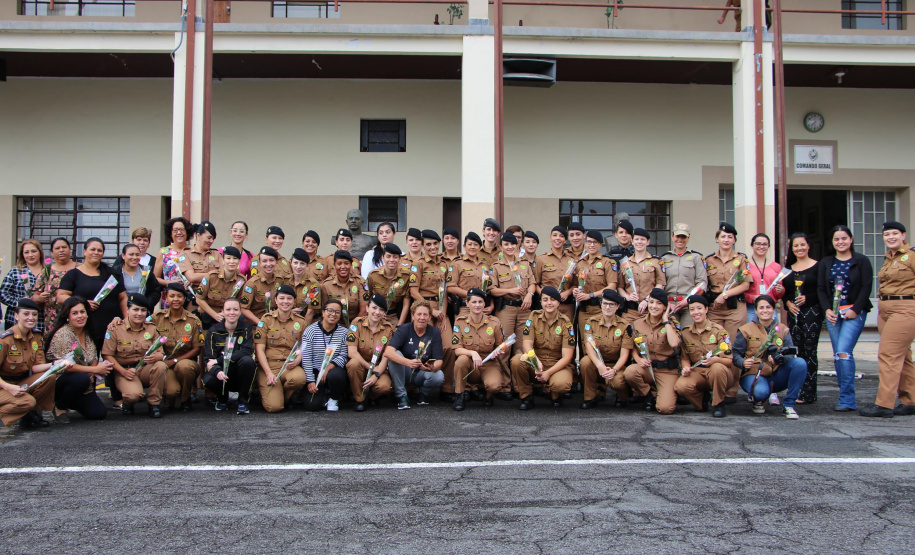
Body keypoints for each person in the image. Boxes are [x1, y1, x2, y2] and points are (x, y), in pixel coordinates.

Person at [860, 221, 915, 418]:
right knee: (904, 356)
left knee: (888, 356)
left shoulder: (912, 256)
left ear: (903, 235)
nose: (890, 237)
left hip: (905, 309)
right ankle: (910, 400)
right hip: (886, 310)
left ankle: (884, 404)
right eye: (886, 234)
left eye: (894, 233)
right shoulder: (889, 258)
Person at [817, 225, 872, 412]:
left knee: (843, 352)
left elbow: (866, 287)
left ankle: (847, 398)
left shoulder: (861, 261)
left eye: (843, 238)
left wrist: (856, 309)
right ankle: (844, 395)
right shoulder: (826, 262)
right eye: (836, 239)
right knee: (837, 355)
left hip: (853, 313)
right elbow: (821, 289)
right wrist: (826, 310)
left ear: (851, 239)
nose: (840, 242)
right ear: (832, 242)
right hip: (833, 314)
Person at [733, 295, 807, 419]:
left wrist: (781, 358)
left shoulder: (782, 329)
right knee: (761, 392)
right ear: (756, 311)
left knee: (800, 363)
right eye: (761, 308)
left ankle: (789, 405)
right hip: (754, 373)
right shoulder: (746, 330)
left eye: (768, 307)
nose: (765, 310)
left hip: (777, 373)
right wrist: (743, 362)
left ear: (774, 309)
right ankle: (758, 399)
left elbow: (791, 353)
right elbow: (735, 354)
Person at [0, 299, 69, 429]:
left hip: (20, 382)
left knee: (50, 377)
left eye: (34, 314)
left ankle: (32, 417)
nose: (31, 318)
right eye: (26, 314)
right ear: (16, 316)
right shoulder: (5, 340)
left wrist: (55, 364)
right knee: (28, 401)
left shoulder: (36, 336)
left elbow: (36, 367)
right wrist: (10, 388)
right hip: (3, 385)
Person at [704, 223, 753, 402]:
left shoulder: (741, 259)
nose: (726, 240)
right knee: (713, 346)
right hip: (714, 309)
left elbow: (746, 284)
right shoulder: (708, 260)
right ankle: (714, 387)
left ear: (734, 240)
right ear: (717, 239)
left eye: (730, 237)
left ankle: (730, 390)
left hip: (734, 308)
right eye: (723, 236)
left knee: (732, 348)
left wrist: (725, 294)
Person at [45, 296, 109, 423]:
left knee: (98, 413)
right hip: (59, 381)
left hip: (82, 380)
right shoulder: (63, 334)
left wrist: (92, 370)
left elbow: (93, 356)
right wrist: (94, 369)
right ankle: (60, 406)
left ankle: (71, 400)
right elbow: (65, 366)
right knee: (81, 378)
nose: (80, 316)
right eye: (74, 313)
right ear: (67, 316)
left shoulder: (87, 332)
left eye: (82, 312)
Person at [101, 294, 166, 418]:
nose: (139, 314)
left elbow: (160, 352)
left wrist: (159, 356)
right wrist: (123, 372)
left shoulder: (151, 329)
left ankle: (154, 404)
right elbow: (107, 355)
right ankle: (128, 404)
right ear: (127, 310)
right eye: (135, 309)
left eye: (143, 310)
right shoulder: (115, 328)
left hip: (145, 369)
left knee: (160, 366)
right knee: (133, 396)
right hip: (125, 370)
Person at [510, 286, 575, 409]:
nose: (549, 303)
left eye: (552, 300)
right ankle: (526, 396)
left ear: (558, 302)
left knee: (561, 385)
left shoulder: (566, 322)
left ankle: (554, 394)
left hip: (556, 365)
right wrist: (535, 361)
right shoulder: (534, 316)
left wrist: (548, 372)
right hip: (537, 361)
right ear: (540, 302)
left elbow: (567, 357)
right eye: (545, 300)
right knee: (517, 361)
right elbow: (527, 344)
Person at [57, 238, 128, 349]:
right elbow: (61, 296)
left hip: (112, 327)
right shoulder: (73, 274)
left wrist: (126, 319)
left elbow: (123, 297)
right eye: (92, 249)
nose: (96, 252)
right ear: (85, 251)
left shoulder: (113, 273)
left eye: (99, 250)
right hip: (86, 327)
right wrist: (83, 304)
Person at [624, 289, 681, 414]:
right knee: (630, 372)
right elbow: (632, 345)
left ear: (665, 307)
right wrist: (638, 359)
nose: (654, 306)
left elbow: (674, 343)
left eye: (659, 303)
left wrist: (666, 320)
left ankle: (661, 393)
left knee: (665, 408)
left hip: (666, 371)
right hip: (647, 368)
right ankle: (648, 395)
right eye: (651, 302)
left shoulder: (671, 323)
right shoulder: (638, 323)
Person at [452, 288, 509, 411]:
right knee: (461, 360)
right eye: (474, 302)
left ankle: (487, 397)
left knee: (494, 386)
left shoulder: (494, 322)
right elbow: (457, 349)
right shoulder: (460, 322)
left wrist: (499, 351)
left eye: (480, 302)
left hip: (489, 363)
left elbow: (501, 345)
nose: (477, 305)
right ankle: (459, 395)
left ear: (484, 304)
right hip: (471, 365)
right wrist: (472, 353)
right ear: (467, 304)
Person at [675, 295, 733, 418]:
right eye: (692, 309)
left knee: (717, 368)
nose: (696, 312)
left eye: (699, 308)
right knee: (681, 386)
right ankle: (702, 401)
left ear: (706, 309)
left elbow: (729, 361)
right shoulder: (686, 333)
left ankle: (719, 403)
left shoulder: (719, 331)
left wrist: (715, 360)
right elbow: (685, 357)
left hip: (720, 373)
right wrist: (685, 368)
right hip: (699, 373)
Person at [254, 284, 307, 413]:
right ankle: (275, 395)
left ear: (294, 301)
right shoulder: (266, 320)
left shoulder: (301, 322)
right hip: (270, 365)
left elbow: (303, 346)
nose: (285, 302)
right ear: (276, 300)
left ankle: (283, 394)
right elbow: (259, 349)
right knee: (274, 407)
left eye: (289, 299)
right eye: (282, 298)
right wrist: (268, 373)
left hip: (289, 365)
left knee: (299, 380)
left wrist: (298, 360)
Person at [783, 232, 823, 404]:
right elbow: (785, 292)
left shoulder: (818, 266)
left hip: (812, 313)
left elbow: (822, 290)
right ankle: (798, 390)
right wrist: (787, 303)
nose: (799, 248)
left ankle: (809, 392)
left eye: (802, 245)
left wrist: (809, 298)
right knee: (797, 352)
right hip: (794, 315)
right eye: (795, 246)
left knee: (810, 351)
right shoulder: (788, 268)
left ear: (808, 246)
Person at [385, 301, 445, 410]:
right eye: (419, 314)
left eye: (425, 315)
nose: (422, 317)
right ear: (412, 316)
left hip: (422, 372)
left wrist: (431, 366)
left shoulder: (434, 332)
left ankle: (423, 394)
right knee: (395, 355)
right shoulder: (404, 329)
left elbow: (439, 361)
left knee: (439, 375)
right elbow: (388, 352)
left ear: (430, 317)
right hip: (405, 371)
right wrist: (408, 362)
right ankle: (401, 396)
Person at [579, 289, 633, 409]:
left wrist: (614, 370)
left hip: (616, 365)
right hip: (598, 363)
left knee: (618, 382)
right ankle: (590, 397)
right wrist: (599, 365)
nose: (607, 307)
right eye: (605, 303)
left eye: (611, 304)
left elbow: (625, 355)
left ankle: (622, 396)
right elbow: (589, 347)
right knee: (585, 362)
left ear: (618, 306)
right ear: (601, 304)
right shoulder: (591, 322)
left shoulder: (625, 326)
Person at [151, 283, 202, 412]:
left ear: (184, 299)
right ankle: (169, 398)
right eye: (172, 296)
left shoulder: (194, 320)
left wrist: (174, 361)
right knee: (172, 392)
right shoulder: (157, 318)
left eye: (179, 296)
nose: (176, 299)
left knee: (185, 367)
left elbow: (197, 349)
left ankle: (186, 399)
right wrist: (117, 319)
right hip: (164, 363)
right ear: (166, 298)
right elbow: (138, 323)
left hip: (185, 361)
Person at [202, 297, 256, 415]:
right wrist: (217, 371)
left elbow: (246, 351)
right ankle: (222, 399)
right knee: (209, 379)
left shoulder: (246, 328)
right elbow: (208, 359)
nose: (232, 312)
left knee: (248, 362)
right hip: (221, 372)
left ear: (240, 312)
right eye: (228, 309)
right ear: (222, 311)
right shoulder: (213, 331)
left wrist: (219, 360)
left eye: (235, 309)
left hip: (238, 372)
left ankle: (242, 401)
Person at [344, 294, 395, 412]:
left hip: (379, 366)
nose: (377, 312)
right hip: (362, 365)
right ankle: (359, 399)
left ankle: (371, 396)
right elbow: (352, 352)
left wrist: (377, 374)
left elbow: (386, 356)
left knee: (384, 387)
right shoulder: (356, 323)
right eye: (374, 308)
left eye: (381, 310)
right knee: (353, 364)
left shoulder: (388, 328)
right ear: (367, 308)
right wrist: (372, 369)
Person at [490, 232, 536, 355]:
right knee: (505, 345)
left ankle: (518, 373)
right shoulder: (496, 267)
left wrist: (529, 295)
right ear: (501, 247)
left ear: (517, 246)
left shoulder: (524, 264)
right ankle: (504, 374)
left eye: (513, 244)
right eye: (506, 244)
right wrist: (510, 290)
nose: (510, 247)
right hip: (506, 310)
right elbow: (492, 289)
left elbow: (533, 283)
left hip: (524, 309)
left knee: (522, 345)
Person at [301, 299, 349, 412]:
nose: (333, 314)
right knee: (312, 406)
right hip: (316, 371)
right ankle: (322, 396)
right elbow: (306, 357)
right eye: (330, 310)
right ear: (323, 312)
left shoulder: (344, 332)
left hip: (332, 371)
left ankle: (334, 398)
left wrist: (329, 367)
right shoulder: (310, 331)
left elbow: (344, 355)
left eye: (337, 312)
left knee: (337, 375)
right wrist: (310, 381)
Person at [660, 223, 708, 327]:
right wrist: (666, 303)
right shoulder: (664, 258)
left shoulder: (696, 257)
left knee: (688, 336)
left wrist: (688, 301)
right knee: (670, 337)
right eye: (678, 236)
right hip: (669, 305)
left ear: (688, 238)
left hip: (689, 305)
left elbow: (702, 283)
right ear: (672, 236)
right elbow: (660, 282)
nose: (680, 239)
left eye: (683, 237)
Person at [572, 230, 618, 334]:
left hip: (600, 308)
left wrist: (591, 295)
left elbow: (612, 286)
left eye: (595, 242)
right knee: (585, 342)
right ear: (585, 244)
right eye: (589, 242)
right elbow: (576, 284)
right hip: (584, 309)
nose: (591, 245)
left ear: (600, 245)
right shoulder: (580, 263)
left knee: (601, 340)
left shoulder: (608, 262)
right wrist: (575, 291)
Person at [616, 228, 664, 325]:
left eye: (642, 239)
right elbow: (620, 287)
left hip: (649, 311)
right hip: (630, 312)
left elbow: (660, 284)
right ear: (632, 241)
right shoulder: (625, 263)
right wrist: (628, 297)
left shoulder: (656, 261)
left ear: (648, 242)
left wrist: (648, 299)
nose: (639, 242)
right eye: (637, 239)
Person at [32, 237, 78, 332]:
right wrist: (40, 298)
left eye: (64, 247)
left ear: (70, 250)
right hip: (52, 319)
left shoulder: (80, 268)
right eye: (57, 248)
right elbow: (35, 297)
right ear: (52, 252)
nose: (61, 250)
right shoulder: (47, 271)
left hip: (76, 316)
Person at [195, 246, 246, 328]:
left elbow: (240, 303)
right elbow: (199, 298)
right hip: (207, 317)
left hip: (228, 319)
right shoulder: (211, 276)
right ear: (222, 260)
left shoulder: (241, 280)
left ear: (239, 261)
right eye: (228, 258)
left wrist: (227, 314)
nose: (231, 261)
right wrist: (214, 315)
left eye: (235, 258)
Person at [2, 239, 45, 334]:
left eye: (33, 251)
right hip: (15, 321)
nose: (30, 255)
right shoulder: (15, 271)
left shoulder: (48, 272)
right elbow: (3, 294)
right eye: (26, 252)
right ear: (22, 255)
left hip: (41, 321)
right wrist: (19, 303)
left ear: (40, 252)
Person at [535, 226, 576, 321]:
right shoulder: (541, 259)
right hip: (547, 306)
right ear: (550, 238)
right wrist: (546, 296)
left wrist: (567, 292)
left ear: (565, 240)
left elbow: (575, 284)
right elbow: (535, 283)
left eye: (561, 236)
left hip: (566, 306)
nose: (557, 238)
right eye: (554, 235)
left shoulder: (572, 260)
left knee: (566, 333)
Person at [319, 250, 369, 326]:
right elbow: (325, 312)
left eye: (346, 263)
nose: (343, 267)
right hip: (334, 326)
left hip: (356, 325)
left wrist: (353, 328)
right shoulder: (326, 285)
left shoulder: (360, 282)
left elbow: (364, 310)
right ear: (334, 265)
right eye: (339, 263)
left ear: (351, 265)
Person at [239, 246, 288, 324]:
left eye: (271, 260)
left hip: (275, 323)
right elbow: (243, 308)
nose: (268, 264)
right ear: (260, 263)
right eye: (264, 261)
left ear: (276, 262)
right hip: (256, 325)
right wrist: (260, 323)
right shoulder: (252, 284)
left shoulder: (280, 280)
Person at [367, 243, 412, 326]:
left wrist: (399, 326)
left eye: (395, 257)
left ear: (400, 259)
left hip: (394, 316)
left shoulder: (406, 276)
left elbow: (406, 303)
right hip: (375, 315)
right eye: (388, 256)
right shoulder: (373, 276)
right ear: (383, 258)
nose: (391, 260)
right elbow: (368, 298)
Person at [745, 233, 785, 323]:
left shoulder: (776, 266)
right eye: (758, 244)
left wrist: (781, 291)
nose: (761, 247)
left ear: (768, 246)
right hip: (751, 308)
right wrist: (751, 297)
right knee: (752, 335)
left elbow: (778, 295)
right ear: (752, 245)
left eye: (764, 244)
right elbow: (740, 289)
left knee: (772, 335)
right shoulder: (745, 265)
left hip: (770, 308)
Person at [448, 232, 489, 318]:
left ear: (480, 247)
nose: (472, 247)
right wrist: (471, 295)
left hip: (481, 308)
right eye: (469, 244)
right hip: (464, 307)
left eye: (475, 244)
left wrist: (491, 305)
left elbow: (489, 288)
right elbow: (450, 287)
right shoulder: (457, 264)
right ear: (464, 246)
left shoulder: (484, 266)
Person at [178, 221, 224, 286]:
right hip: (194, 294)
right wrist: (215, 275)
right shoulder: (186, 254)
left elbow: (224, 275)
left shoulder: (216, 254)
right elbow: (191, 277)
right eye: (209, 238)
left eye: (213, 239)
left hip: (213, 294)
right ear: (198, 236)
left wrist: (198, 278)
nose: (211, 241)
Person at [118, 243, 162, 310]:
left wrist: (147, 303)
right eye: (131, 254)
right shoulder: (116, 272)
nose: (135, 257)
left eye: (137, 255)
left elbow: (155, 291)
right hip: (121, 312)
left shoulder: (146, 271)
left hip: (142, 312)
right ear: (123, 256)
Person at [154, 216, 193, 288]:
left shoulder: (193, 250)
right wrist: (169, 283)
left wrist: (192, 280)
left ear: (187, 232)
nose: (179, 232)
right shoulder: (164, 252)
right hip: (170, 295)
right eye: (175, 230)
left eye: (182, 229)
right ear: (170, 233)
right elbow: (156, 278)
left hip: (190, 293)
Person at [288, 248, 319, 324]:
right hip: (286, 322)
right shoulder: (285, 281)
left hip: (306, 324)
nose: (298, 267)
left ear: (307, 265)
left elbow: (310, 312)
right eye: (295, 263)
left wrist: (302, 331)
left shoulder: (313, 284)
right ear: (291, 263)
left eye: (302, 263)